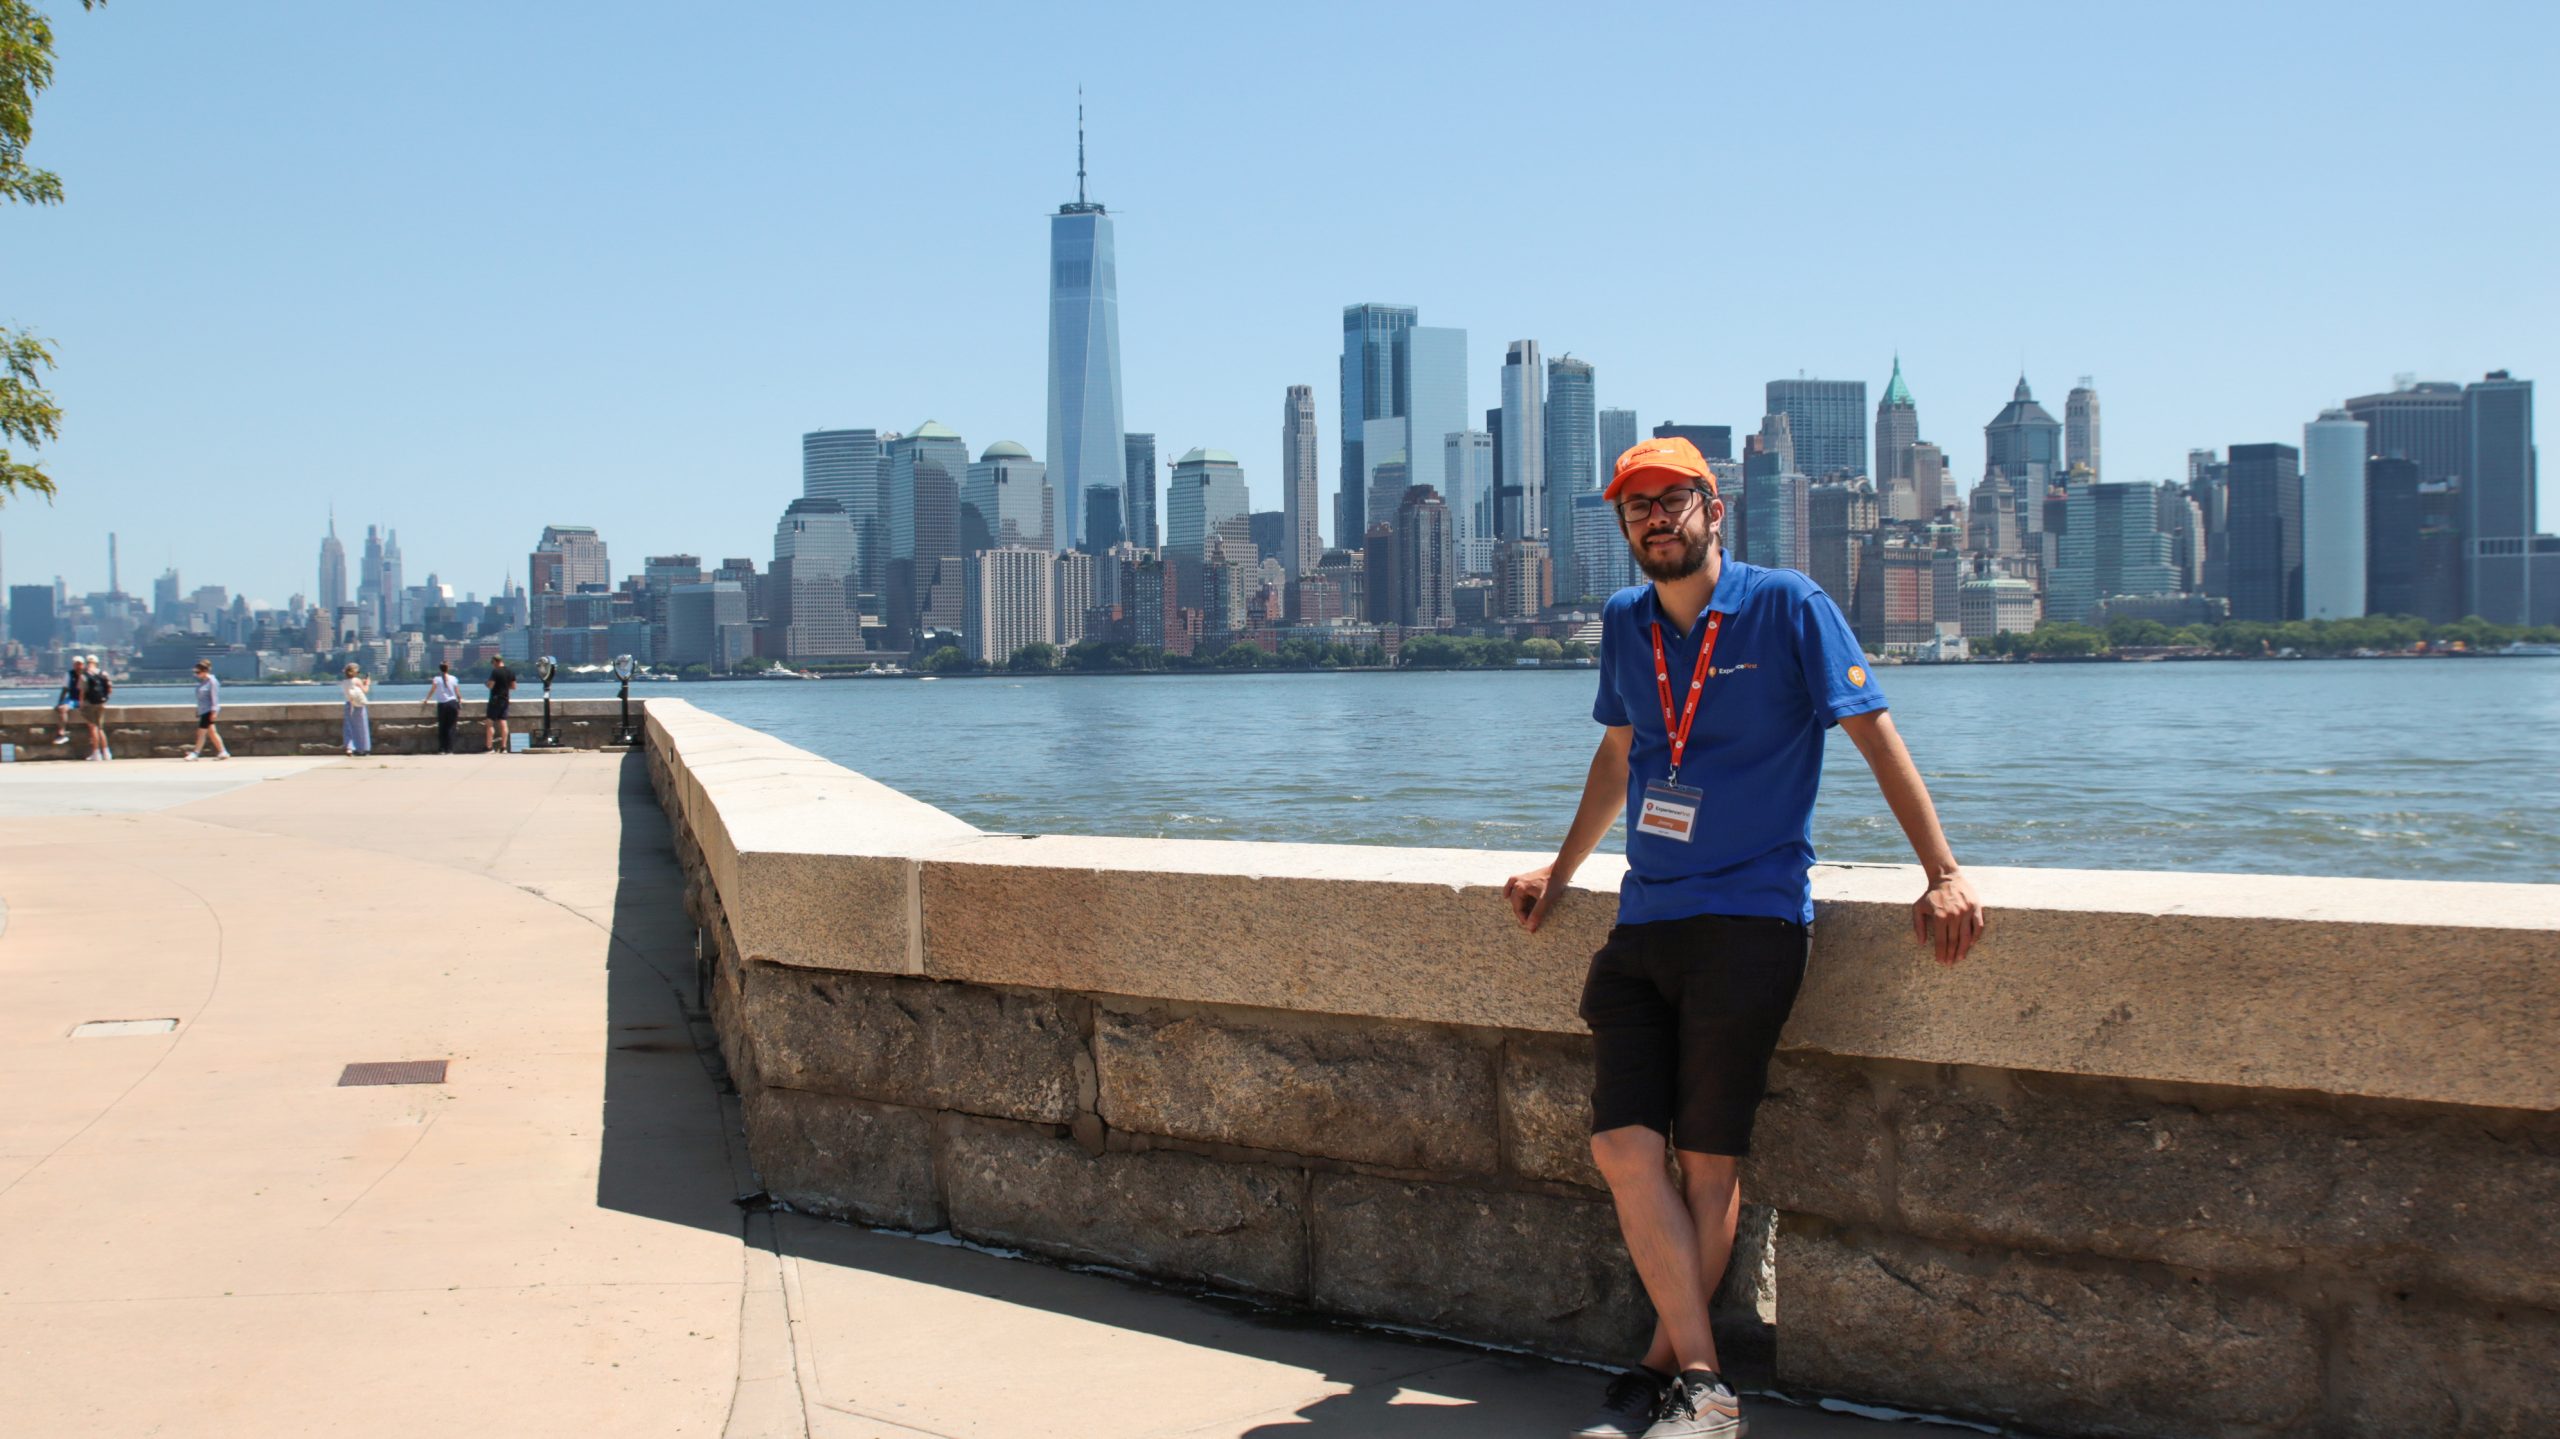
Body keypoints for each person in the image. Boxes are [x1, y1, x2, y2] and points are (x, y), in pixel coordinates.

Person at [1509, 437, 1986, 1439]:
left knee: (1709, 1161)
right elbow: (1617, 754)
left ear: (1712, 508)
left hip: (1751, 921)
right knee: (1620, 1141)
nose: (1653, 518)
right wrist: (1561, 870)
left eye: (1670, 500)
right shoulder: (1622, 621)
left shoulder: (1788, 605)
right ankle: (1695, 1372)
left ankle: (1678, 1379)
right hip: (1644, 917)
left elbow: (1874, 734)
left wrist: (1941, 872)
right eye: (1634, 507)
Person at [182, 660, 230, 761]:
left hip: (208, 711)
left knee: (201, 732)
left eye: (198, 672)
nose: (196, 674)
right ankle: (223, 751)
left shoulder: (212, 682)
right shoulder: (204, 682)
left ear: (205, 671)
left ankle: (196, 753)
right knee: (212, 732)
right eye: (195, 672)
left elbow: (215, 698)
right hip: (203, 711)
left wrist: (214, 712)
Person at [79, 656, 112, 761]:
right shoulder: (104, 673)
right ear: (97, 663)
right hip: (101, 703)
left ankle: (96, 753)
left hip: (90, 704)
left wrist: (81, 704)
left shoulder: (84, 676)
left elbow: (82, 692)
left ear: (87, 663)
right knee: (100, 728)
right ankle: (107, 752)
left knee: (93, 728)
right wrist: (105, 699)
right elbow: (110, 688)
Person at [425, 662, 462, 754]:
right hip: (452, 704)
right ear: (448, 668)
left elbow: (432, 690)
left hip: (442, 705)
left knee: (442, 727)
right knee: (451, 727)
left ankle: (442, 749)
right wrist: (460, 701)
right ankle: (450, 749)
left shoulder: (436, 679)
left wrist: (426, 699)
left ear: (440, 669)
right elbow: (457, 693)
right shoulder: (454, 678)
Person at [340, 662, 373, 756]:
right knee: (361, 727)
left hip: (349, 704)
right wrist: (367, 684)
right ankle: (362, 749)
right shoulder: (357, 680)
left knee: (349, 727)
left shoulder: (344, 682)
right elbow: (365, 690)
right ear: (355, 672)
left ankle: (349, 747)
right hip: (358, 705)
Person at [484, 658, 515, 754]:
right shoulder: (510, 671)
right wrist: (504, 687)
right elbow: (513, 686)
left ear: (497, 662)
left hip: (495, 700)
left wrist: (487, 683)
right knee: (503, 722)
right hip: (505, 699)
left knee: (489, 723)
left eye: (493, 663)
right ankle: (504, 747)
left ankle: (489, 747)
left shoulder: (495, 672)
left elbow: (491, 685)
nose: (492, 665)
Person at [51, 656, 83, 746]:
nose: (78, 666)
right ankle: (61, 733)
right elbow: (64, 690)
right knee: (63, 709)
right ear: (73, 665)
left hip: (84, 699)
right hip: (73, 699)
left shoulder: (87, 674)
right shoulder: (69, 674)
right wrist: (59, 703)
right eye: (76, 664)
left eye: (79, 664)